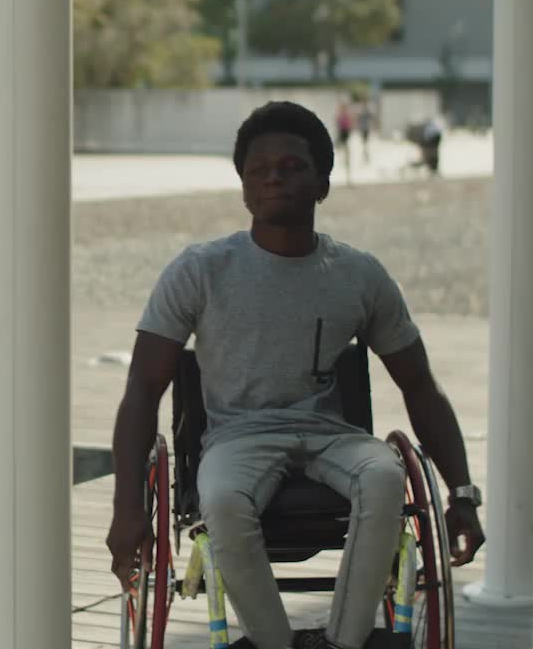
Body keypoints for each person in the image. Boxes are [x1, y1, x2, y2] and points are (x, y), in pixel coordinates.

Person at [106, 102, 484, 649]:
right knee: (223, 499)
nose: (274, 177)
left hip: (332, 437)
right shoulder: (200, 271)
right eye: (259, 169)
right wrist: (127, 509)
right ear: (243, 187)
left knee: (383, 475)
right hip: (238, 436)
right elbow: (142, 389)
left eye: (292, 166)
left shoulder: (358, 275)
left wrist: (463, 494)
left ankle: (343, 643)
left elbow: (419, 384)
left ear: (323, 183)